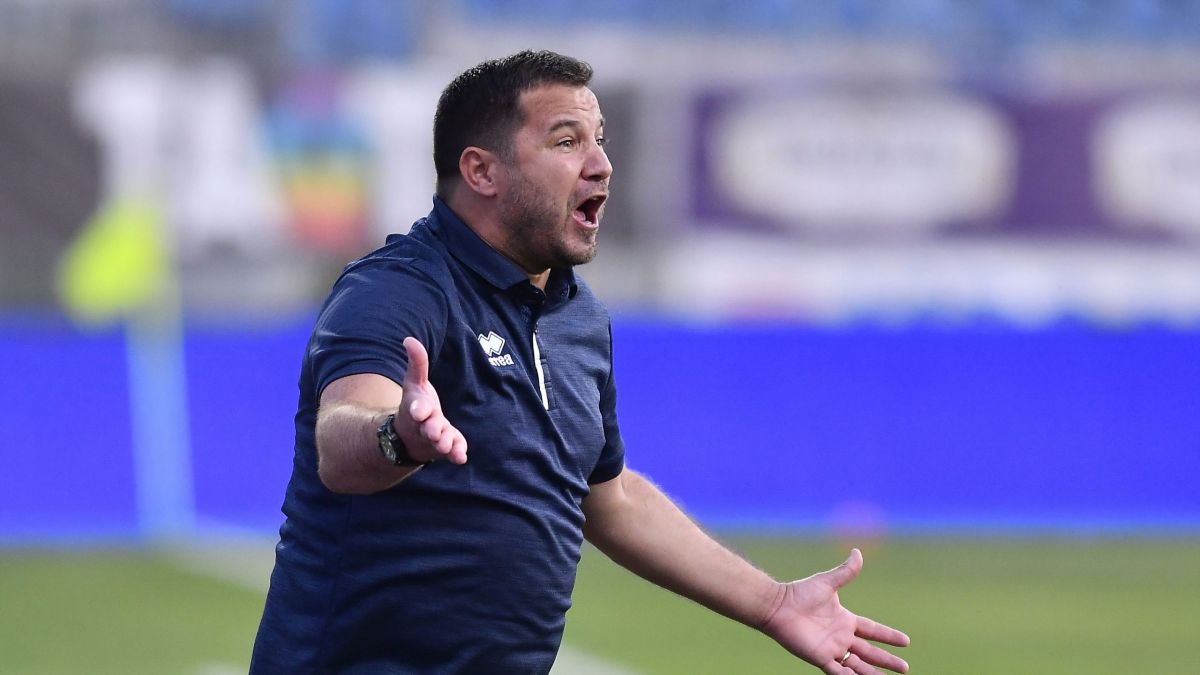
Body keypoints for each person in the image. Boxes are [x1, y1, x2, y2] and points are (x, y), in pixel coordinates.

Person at [251, 50, 910, 675]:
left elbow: (608, 496)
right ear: (482, 172)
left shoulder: (578, 315)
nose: (601, 165)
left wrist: (772, 603)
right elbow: (341, 438)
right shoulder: (399, 288)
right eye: (567, 142)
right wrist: (399, 435)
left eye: (601, 140)